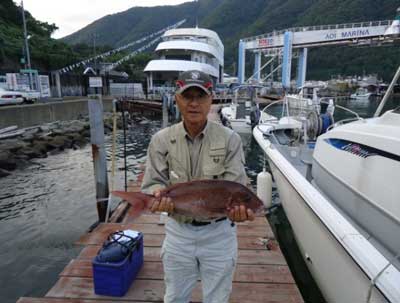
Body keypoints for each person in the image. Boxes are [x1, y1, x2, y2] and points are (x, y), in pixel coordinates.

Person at [141, 70, 255, 303]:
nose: (194, 103)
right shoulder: (161, 140)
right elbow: (153, 182)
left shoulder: (230, 139)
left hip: (219, 234)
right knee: (174, 297)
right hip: (178, 233)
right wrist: (154, 195)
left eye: (200, 96)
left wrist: (239, 213)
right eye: (187, 96)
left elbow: (235, 187)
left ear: (211, 99)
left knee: (217, 298)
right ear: (177, 98)